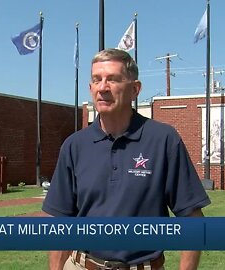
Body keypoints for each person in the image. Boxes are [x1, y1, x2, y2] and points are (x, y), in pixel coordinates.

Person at [42, 48, 211, 270]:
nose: (103, 87)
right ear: (90, 88)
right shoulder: (74, 146)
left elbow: (191, 218)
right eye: (97, 80)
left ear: (135, 89)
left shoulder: (163, 140)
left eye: (113, 79)